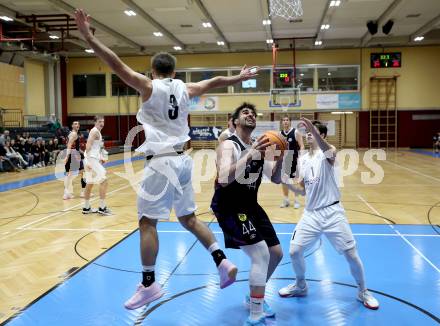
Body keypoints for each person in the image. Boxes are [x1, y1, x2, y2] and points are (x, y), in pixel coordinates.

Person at [74, 8, 261, 309]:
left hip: (160, 162)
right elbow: (213, 82)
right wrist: (239, 77)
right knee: (188, 218)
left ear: (152, 72)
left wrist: (88, 37)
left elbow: (115, 63)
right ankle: (222, 261)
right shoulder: (186, 88)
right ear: (174, 72)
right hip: (183, 160)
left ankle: (149, 284)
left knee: (147, 223)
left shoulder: (148, 86)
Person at [278, 119, 379, 310]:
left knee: (351, 255)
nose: (308, 133)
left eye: (313, 131)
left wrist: (312, 128)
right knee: (294, 251)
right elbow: (303, 190)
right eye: (307, 131)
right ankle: (300, 285)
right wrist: (287, 182)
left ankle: (363, 291)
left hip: (333, 213)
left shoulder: (328, 152)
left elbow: (330, 152)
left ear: (321, 135)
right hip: (311, 214)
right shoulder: (303, 159)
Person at [211, 103, 284, 325]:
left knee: (276, 254)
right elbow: (223, 178)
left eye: (253, 113)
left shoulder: (258, 146)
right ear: (234, 122)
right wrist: (250, 154)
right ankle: (255, 314)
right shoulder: (228, 145)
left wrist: (280, 159)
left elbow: (277, 178)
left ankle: (253, 296)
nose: (250, 114)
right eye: (245, 113)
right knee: (261, 254)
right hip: (230, 206)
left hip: (250, 204)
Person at [82, 116, 111, 215]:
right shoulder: (94, 131)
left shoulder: (96, 132)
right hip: (91, 160)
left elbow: (94, 147)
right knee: (104, 181)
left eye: (103, 121)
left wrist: (100, 158)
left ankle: (86, 207)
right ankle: (102, 208)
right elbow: (88, 146)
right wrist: (89, 161)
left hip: (91, 159)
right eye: (99, 122)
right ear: (95, 122)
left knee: (89, 183)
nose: (102, 123)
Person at [279, 116, 304, 209]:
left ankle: (296, 201)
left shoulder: (296, 132)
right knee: (284, 181)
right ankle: (286, 200)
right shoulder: (279, 134)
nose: (285, 122)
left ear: (290, 122)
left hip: (294, 159)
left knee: (295, 181)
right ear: (281, 122)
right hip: (284, 161)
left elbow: (301, 146)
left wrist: (300, 158)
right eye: (284, 120)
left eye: (287, 120)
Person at [63, 121, 86, 199]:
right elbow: (69, 145)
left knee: (69, 175)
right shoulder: (74, 134)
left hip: (72, 154)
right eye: (75, 124)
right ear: (72, 126)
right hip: (73, 155)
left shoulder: (70, 133)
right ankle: (82, 192)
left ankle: (67, 193)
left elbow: (72, 145)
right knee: (83, 172)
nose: (77, 125)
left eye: (78, 124)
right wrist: (67, 156)